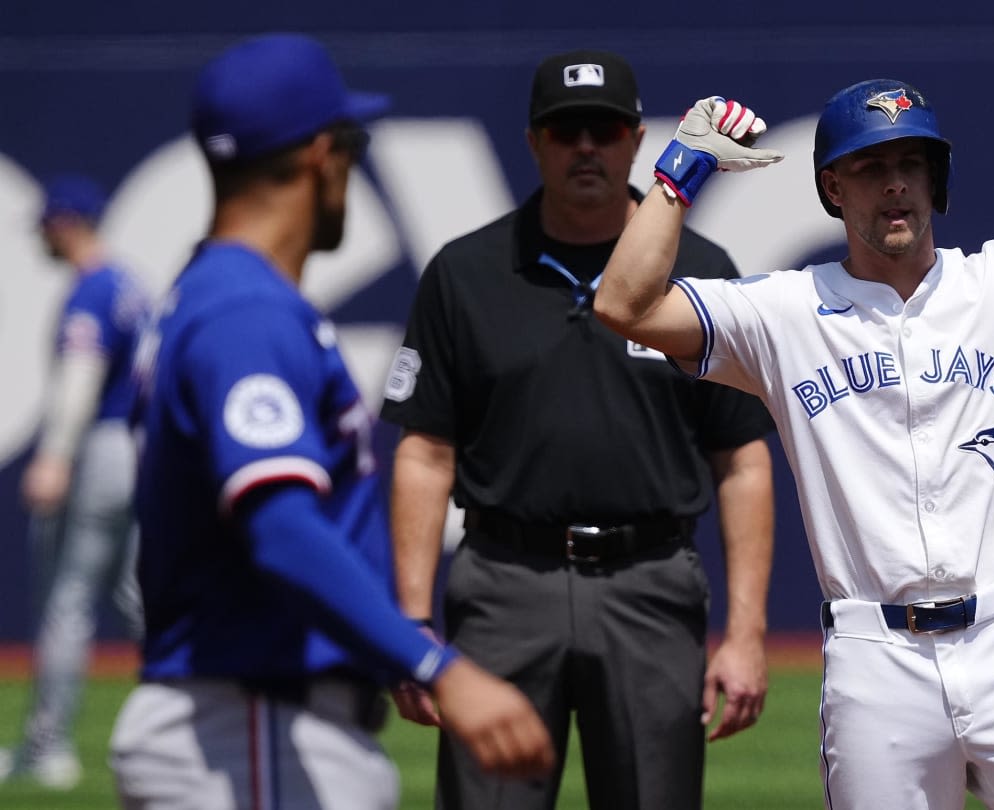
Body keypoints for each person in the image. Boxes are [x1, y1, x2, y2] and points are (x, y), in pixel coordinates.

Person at [594, 45, 994, 809]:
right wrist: (676, 176)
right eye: (868, 165)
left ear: (936, 180)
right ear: (831, 186)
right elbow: (623, 305)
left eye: (912, 162)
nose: (894, 181)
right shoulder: (781, 312)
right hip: (875, 657)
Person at [107, 32, 554, 809]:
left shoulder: (213, 296)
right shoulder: (244, 309)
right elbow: (278, 524)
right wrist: (434, 665)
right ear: (323, 154)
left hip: (254, 721)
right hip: (252, 722)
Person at [380, 48, 776, 810]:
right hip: (503, 585)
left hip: (649, 584)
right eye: (566, 132)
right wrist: (411, 621)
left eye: (602, 129)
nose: (586, 147)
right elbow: (425, 453)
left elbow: (742, 460)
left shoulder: (701, 268)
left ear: (635, 137)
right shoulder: (467, 272)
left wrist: (747, 631)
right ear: (534, 142)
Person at [0, 175, 148, 790]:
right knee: (139, 599)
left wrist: (55, 457)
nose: (40, 238)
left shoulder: (92, 290)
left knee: (68, 598)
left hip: (100, 448)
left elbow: (81, 379)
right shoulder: (128, 283)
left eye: (44, 226)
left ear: (66, 223)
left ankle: (47, 746)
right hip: (138, 449)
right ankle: (204, 706)